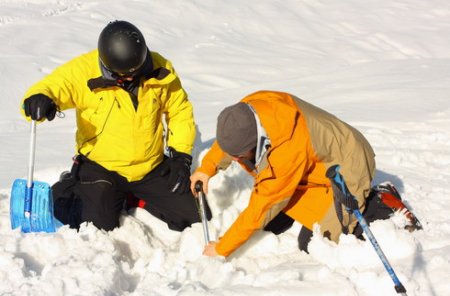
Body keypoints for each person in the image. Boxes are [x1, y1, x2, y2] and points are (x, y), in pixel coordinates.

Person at [21, 20, 211, 231]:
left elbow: (179, 110)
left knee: (195, 214)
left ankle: (128, 197)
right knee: (97, 226)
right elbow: (53, 86)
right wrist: (39, 99)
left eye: (138, 69)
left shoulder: (160, 68)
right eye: (127, 74)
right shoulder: (83, 70)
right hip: (102, 167)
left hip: (150, 167)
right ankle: (69, 189)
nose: (133, 76)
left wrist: (181, 157)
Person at [190, 90, 416, 258]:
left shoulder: (287, 149)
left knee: (317, 241)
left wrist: (222, 248)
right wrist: (206, 168)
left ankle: (381, 204)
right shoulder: (246, 112)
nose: (237, 160)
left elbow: (263, 206)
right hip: (313, 167)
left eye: (240, 156)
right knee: (288, 205)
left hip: (348, 165)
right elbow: (230, 140)